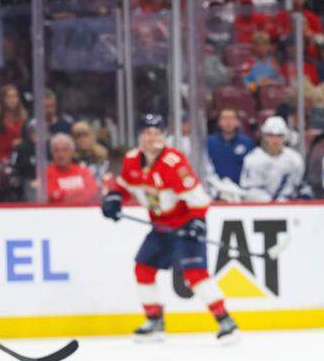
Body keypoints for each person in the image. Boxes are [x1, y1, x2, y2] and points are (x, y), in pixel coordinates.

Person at [101, 114, 238, 342]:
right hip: (160, 227)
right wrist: (114, 198)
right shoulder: (132, 160)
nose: (151, 138)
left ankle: (225, 321)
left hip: (184, 225)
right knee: (143, 268)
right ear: (140, 136)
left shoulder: (174, 163)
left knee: (195, 275)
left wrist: (196, 223)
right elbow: (124, 186)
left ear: (164, 137)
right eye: (147, 133)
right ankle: (155, 320)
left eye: (156, 133)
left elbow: (200, 200)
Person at [239, 116, 308, 201]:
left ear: (285, 137)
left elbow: (297, 184)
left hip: (288, 207)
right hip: (260, 208)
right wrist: (271, 204)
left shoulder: (295, 159)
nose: (275, 140)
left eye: (279, 136)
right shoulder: (253, 159)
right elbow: (250, 190)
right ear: (264, 137)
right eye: (270, 135)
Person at [206, 107, 255, 195]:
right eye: (224, 118)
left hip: (242, 192)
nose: (228, 122)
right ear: (218, 122)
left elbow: (252, 170)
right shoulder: (208, 142)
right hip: (215, 191)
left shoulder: (248, 143)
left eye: (231, 118)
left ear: (237, 122)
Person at [46, 132, 99, 204]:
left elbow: (93, 192)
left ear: (72, 152)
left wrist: (64, 194)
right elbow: (52, 196)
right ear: (52, 153)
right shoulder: (46, 174)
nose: (60, 154)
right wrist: (80, 192)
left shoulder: (83, 171)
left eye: (64, 150)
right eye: (56, 150)